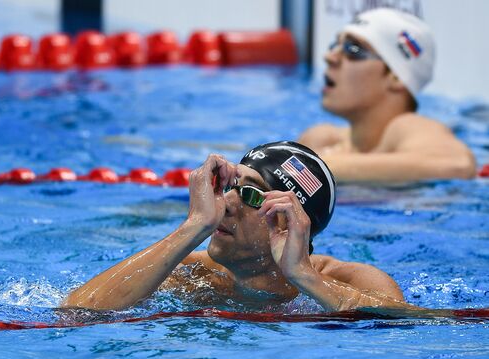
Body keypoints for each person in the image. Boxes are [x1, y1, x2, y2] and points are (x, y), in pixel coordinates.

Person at [62, 141, 417, 312]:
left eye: (248, 194)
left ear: (290, 219)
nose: (226, 204)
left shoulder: (353, 281)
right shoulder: (193, 275)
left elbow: (406, 327)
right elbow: (78, 312)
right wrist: (194, 227)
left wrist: (303, 276)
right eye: (230, 186)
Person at [298, 8, 476, 182]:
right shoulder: (322, 140)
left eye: (353, 49)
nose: (330, 57)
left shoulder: (406, 127)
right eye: (334, 46)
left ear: (396, 76)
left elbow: (457, 165)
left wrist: (316, 168)